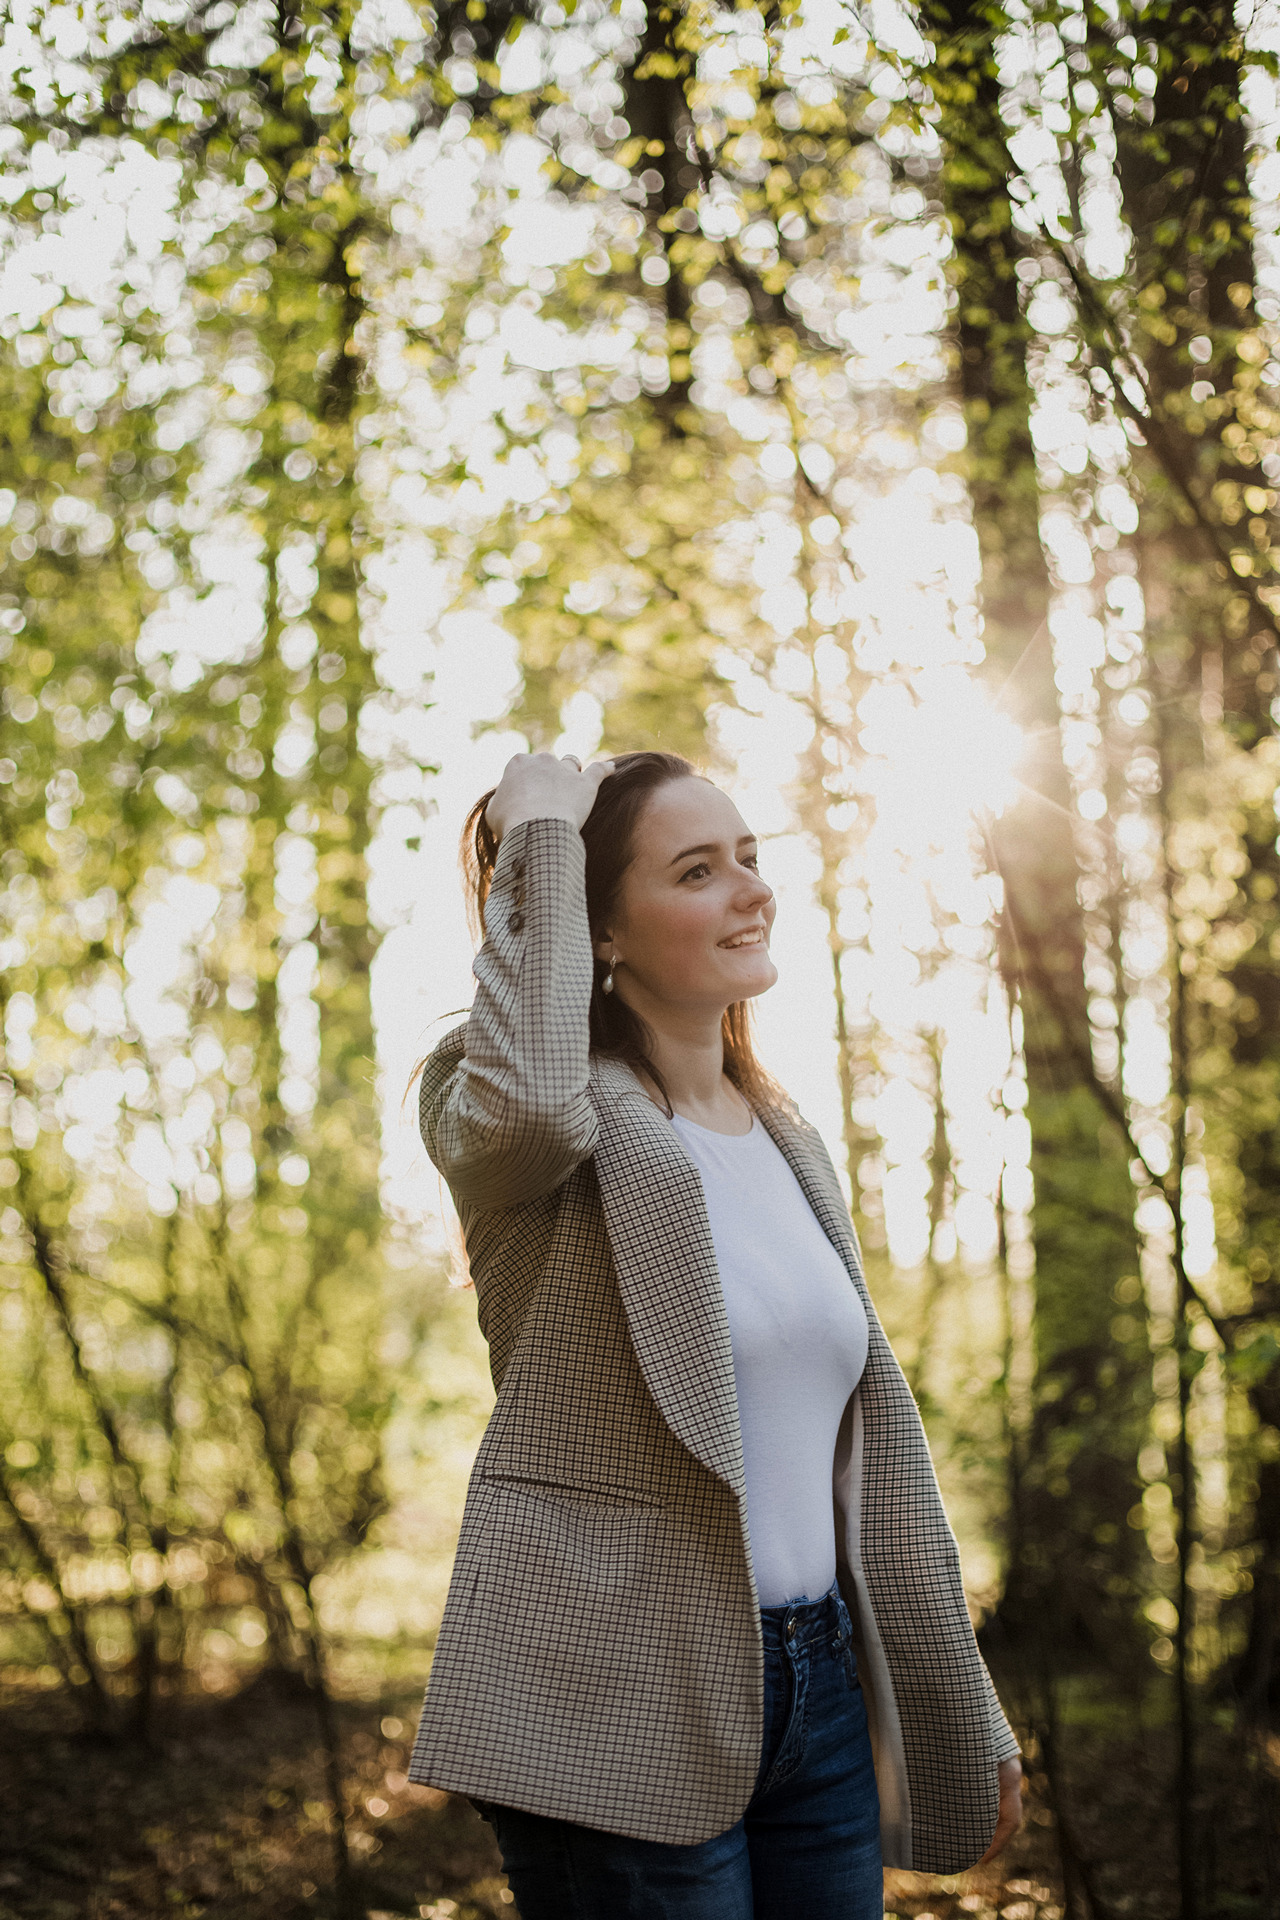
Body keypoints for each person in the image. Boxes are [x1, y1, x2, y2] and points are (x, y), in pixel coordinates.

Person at [407, 748, 1022, 1919]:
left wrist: (963, 1705)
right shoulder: (525, 1118)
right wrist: (534, 837)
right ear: (601, 934)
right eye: (697, 871)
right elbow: (531, 1098)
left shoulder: (783, 1135)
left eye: (749, 858)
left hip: (819, 1691)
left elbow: (870, 1455)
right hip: (616, 1687)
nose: (750, 890)